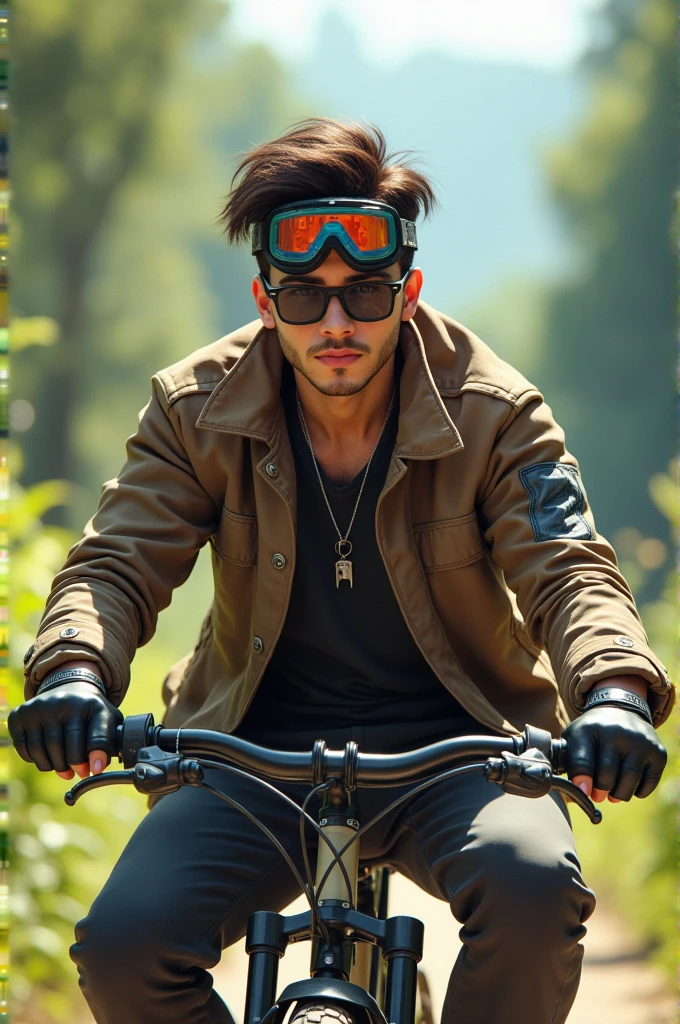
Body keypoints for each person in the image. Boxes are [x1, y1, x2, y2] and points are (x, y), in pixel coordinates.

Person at [9, 118, 672, 1024]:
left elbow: (570, 572)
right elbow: (116, 562)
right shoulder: (191, 409)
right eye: (304, 296)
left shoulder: (496, 411)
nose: (335, 324)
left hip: (463, 752)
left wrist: (614, 693)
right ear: (262, 297)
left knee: (533, 896)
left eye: (364, 294)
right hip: (252, 750)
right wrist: (75, 671)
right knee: (125, 949)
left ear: (409, 293)